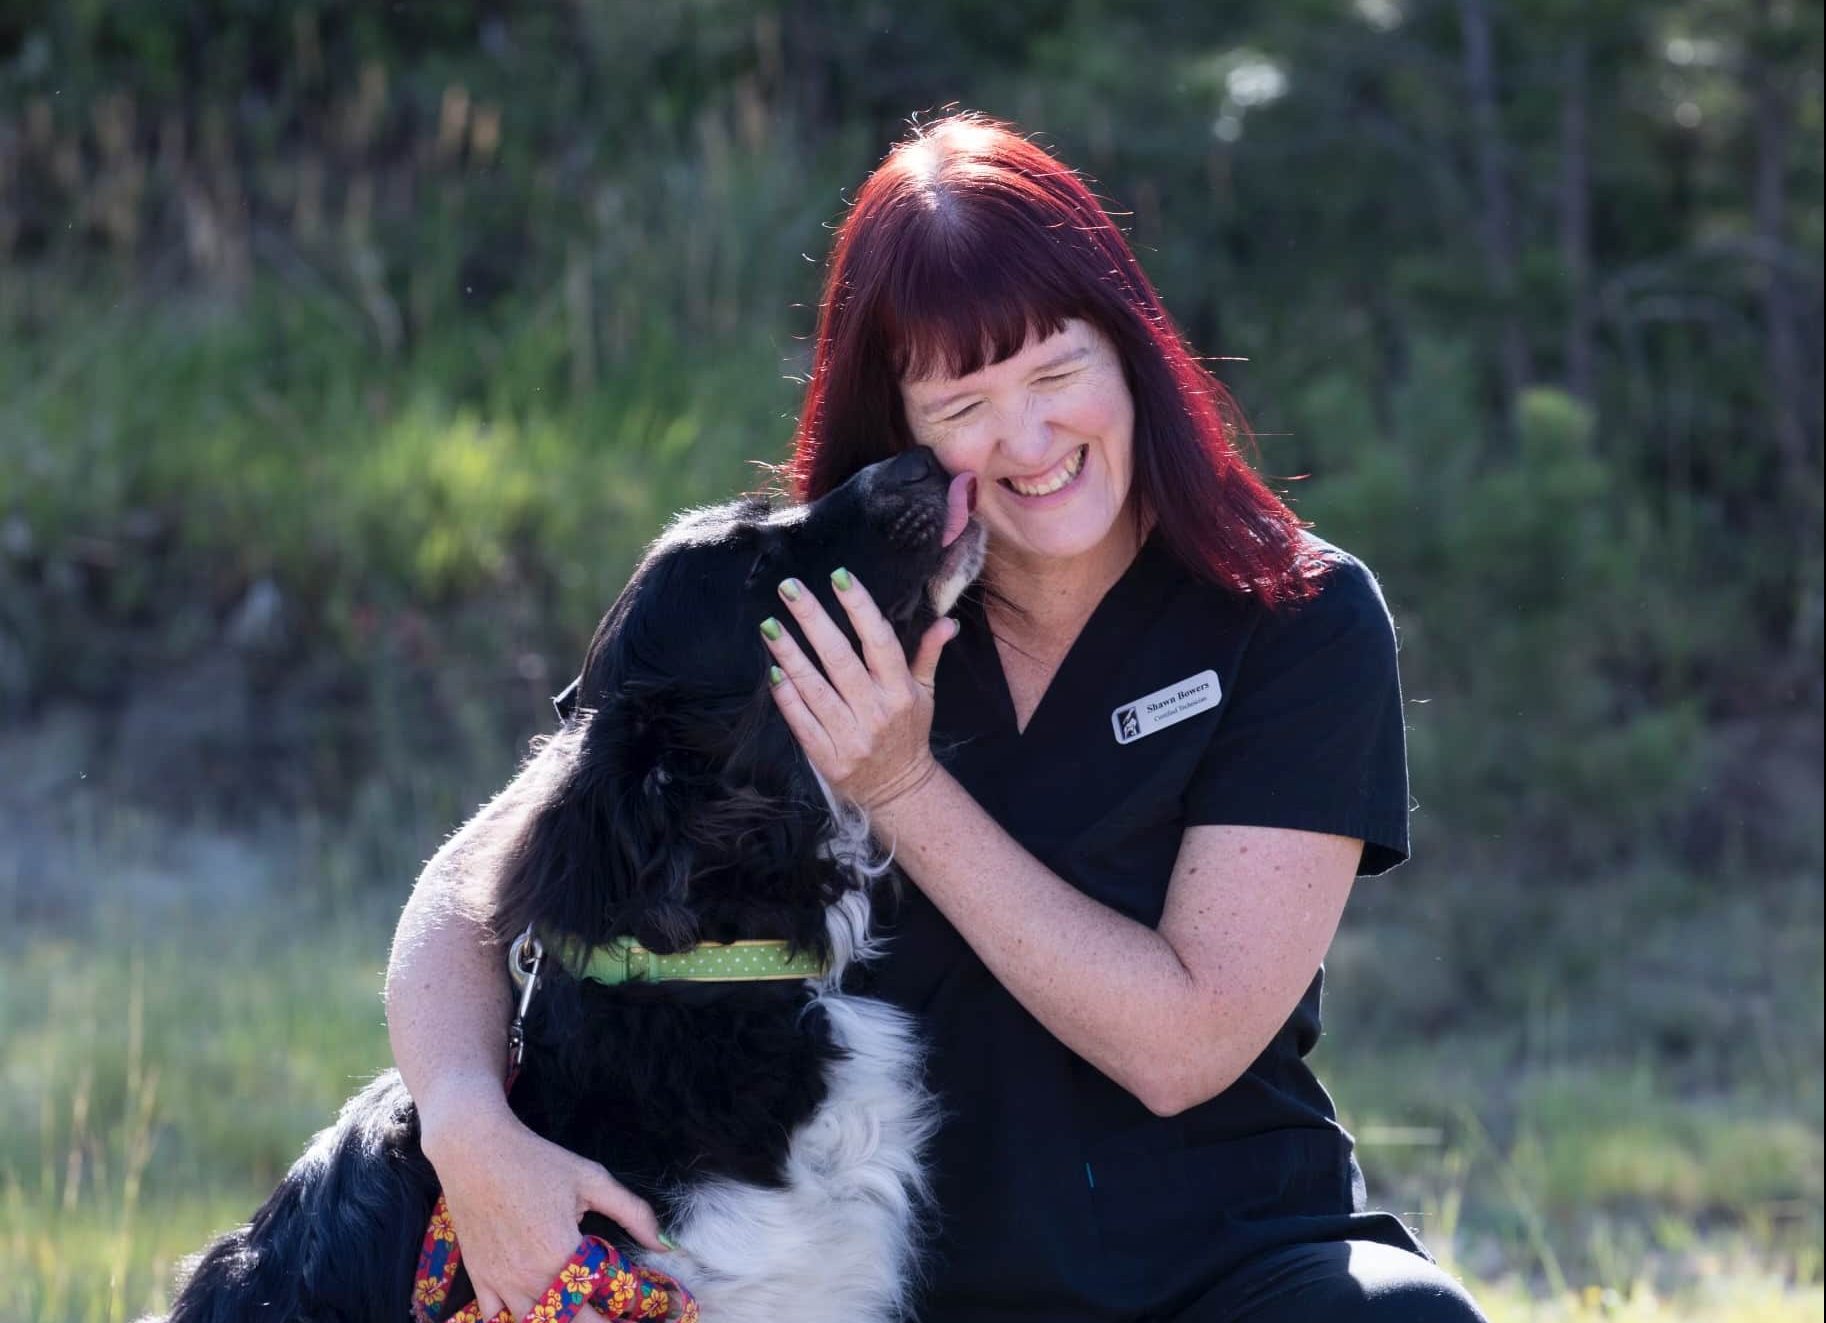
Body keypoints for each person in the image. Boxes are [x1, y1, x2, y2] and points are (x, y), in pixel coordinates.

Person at [385, 112, 1488, 1322]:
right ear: (899, 424)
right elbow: (476, 889)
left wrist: (901, 786)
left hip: (1227, 1266)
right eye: (962, 402)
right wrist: (465, 1126)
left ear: (1132, 353)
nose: (1027, 440)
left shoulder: (1296, 615)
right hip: (891, 1283)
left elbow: (1184, 1044)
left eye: (1056, 372)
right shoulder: (814, 603)